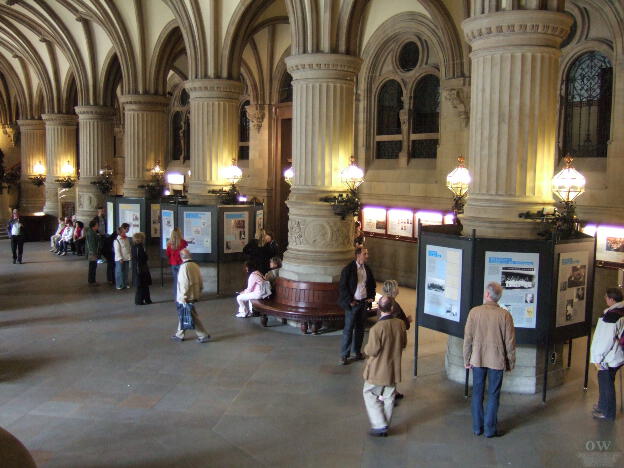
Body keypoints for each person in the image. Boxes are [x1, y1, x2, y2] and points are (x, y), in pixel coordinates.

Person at [463, 282, 516, 438]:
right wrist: (510, 362)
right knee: (494, 394)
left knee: (477, 393)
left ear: (487, 294)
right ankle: (490, 429)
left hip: (477, 359)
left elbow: (468, 339)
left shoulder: (474, 312)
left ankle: (477, 427)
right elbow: (510, 342)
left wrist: (466, 359)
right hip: (497, 361)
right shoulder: (505, 315)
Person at [362, 296, 407, 437]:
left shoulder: (377, 328)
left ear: (380, 309)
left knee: (368, 393)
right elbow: (403, 344)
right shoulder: (400, 324)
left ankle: (379, 424)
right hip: (394, 367)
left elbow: (372, 350)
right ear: (393, 308)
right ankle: (385, 423)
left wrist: (365, 349)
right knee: (389, 395)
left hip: (378, 369)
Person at [590, 287, 624, 420]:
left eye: (606, 297)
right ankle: (602, 405)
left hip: (608, 357)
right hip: (618, 355)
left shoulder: (612, 316)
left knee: (606, 383)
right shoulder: (620, 312)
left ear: (611, 299)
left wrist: (598, 358)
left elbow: (606, 339)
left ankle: (607, 412)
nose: (605, 299)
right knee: (606, 380)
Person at [338, 247, 376, 365]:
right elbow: (343, 287)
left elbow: (371, 284)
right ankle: (344, 355)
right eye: (365, 254)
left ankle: (357, 352)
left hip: (363, 303)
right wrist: (350, 300)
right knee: (348, 329)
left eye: (367, 253)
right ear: (358, 255)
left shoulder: (367, 269)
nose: (367, 256)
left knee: (360, 329)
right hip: (353, 304)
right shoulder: (348, 269)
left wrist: (371, 297)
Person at [380, 279, 412, 400]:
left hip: (388, 339)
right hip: (392, 341)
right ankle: (387, 393)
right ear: (393, 289)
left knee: (390, 365)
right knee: (391, 366)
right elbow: (398, 323)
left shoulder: (384, 301)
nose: (398, 288)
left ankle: (392, 390)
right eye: (397, 286)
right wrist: (407, 321)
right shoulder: (393, 305)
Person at [171, 249, 210, 343]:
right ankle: (179, 334)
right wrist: (200, 290)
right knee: (186, 313)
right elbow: (200, 280)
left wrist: (183, 297)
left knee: (190, 315)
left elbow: (184, 283)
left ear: (181, 257)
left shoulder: (184, 267)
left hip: (187, 295)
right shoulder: (195, 265)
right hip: (194, 293)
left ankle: (203, 335)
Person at [166, 228, 188, 297]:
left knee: (176, 280)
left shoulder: (169, 243)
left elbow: (168, 254)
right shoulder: (183, 242)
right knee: (183, 280)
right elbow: (185, 252)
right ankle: (183, 294)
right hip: (181, 264)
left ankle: (176, 295)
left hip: (173, 264)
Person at [131, 232, 152, 305]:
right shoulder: (138, 248)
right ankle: (139, 300)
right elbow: (140, 259)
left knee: (144, 285)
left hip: (142, 268)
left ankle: (147, 299)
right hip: (140, 269)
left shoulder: (138, 247)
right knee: (141, 286)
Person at [85, 219, 101, 285]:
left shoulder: (92, 232)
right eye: (97, 225)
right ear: (93, 226)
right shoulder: (91, 233)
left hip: (92, 252)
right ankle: (92, 281)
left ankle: (91, 280)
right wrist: (94, 253)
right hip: (92, 253)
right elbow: (92, 244)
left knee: (93, 266)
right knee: (93, 267)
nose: (98, 226)